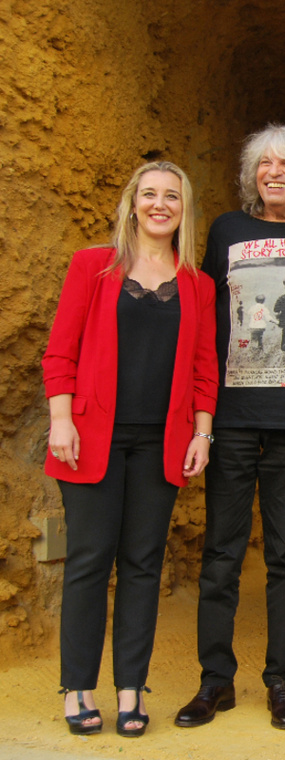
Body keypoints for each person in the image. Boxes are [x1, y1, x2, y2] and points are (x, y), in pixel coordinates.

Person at [44, 161, 218, 738]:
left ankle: (129, 690)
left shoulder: (198, 283)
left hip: (159, 443)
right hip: (90, 438)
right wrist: (61, 421)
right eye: (150, 194)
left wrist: (202, 432)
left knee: (143, 566)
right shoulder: (93, 266)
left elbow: (203, 368)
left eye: (172, 195)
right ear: (133, 202)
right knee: (91, 562)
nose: (160, 204)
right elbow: (59, 353)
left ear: (183, 208)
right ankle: (78, 688)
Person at [174, 124, 285, 731]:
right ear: (252, 175)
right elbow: (204, 310)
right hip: (232, 416)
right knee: (221, 552)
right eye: (263, 163)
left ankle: (280, 682)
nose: (274, 172)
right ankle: (215, 680)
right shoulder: (226, 231)